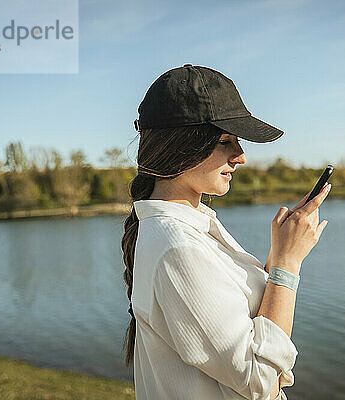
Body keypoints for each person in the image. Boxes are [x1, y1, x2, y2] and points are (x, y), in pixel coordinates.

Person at [121, 64, 331, 400]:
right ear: (180, 145)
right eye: (225, 141)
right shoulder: (177, 247)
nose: (241, 156)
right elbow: (262, 381)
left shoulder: (193, 225)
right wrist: (288, 266)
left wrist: (280, 253)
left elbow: (237, 314)